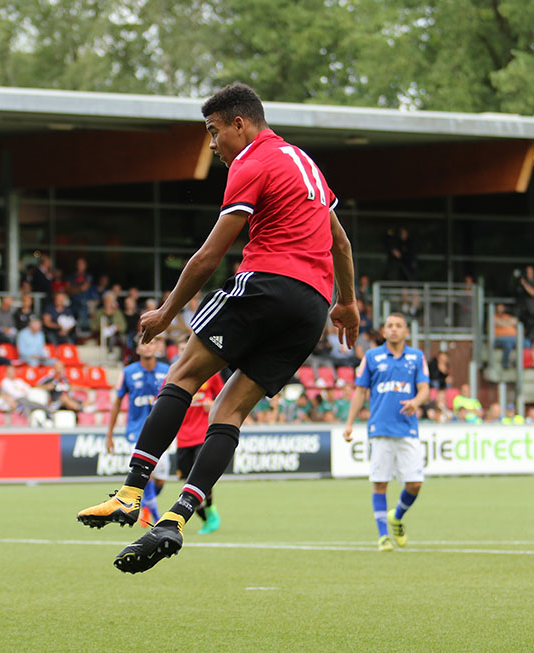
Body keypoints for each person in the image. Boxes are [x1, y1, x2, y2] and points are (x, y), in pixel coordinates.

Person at [76, 83, 358, 573]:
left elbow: (210, 254)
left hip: (265, 285)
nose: (211, 145)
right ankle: (178, 518)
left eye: (212, 132)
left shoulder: (253, 162)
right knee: (228, 410)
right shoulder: (308, 165)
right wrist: (348, 303)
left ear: (239, 124)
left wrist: (166, 312)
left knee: (182, 375)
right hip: (311, 306)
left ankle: (128, 494)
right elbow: (343, 245)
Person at [342, 313, 430, 551]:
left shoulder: (416, 357)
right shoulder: (372, 356)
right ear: (383, 331)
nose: (394, 329)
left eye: (398, 326)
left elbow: (424, 389)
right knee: (380, 483)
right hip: (379, 428)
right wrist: (349, 422)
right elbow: (360, 391)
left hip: (406, 429)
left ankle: (397, 517)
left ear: (406, 332)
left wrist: (416, 402)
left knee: (415, 483)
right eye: (390, 325)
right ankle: (383, 537)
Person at [103, 338, 171, 526]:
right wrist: (109, 435)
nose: (148, 346)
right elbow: (117, 403)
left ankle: (147, 505)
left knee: (160, 481)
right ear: (138, 348)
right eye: (144, 343)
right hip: (137, 433)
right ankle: (157, 518)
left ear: (157, 347)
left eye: (152, 343)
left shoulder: (167, 371)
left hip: (161, 432)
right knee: (145, 473)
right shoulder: (128, 372)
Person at [174, 350, 226, 533]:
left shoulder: (211, 373)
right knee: (187, 484)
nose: (184, 352)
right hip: (182, 438)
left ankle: (211, 511)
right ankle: (205, 517)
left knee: (203, 478)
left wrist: (213, 404)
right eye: (181, 350)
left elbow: (225, 398)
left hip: (202, 435)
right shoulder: (174, 374)